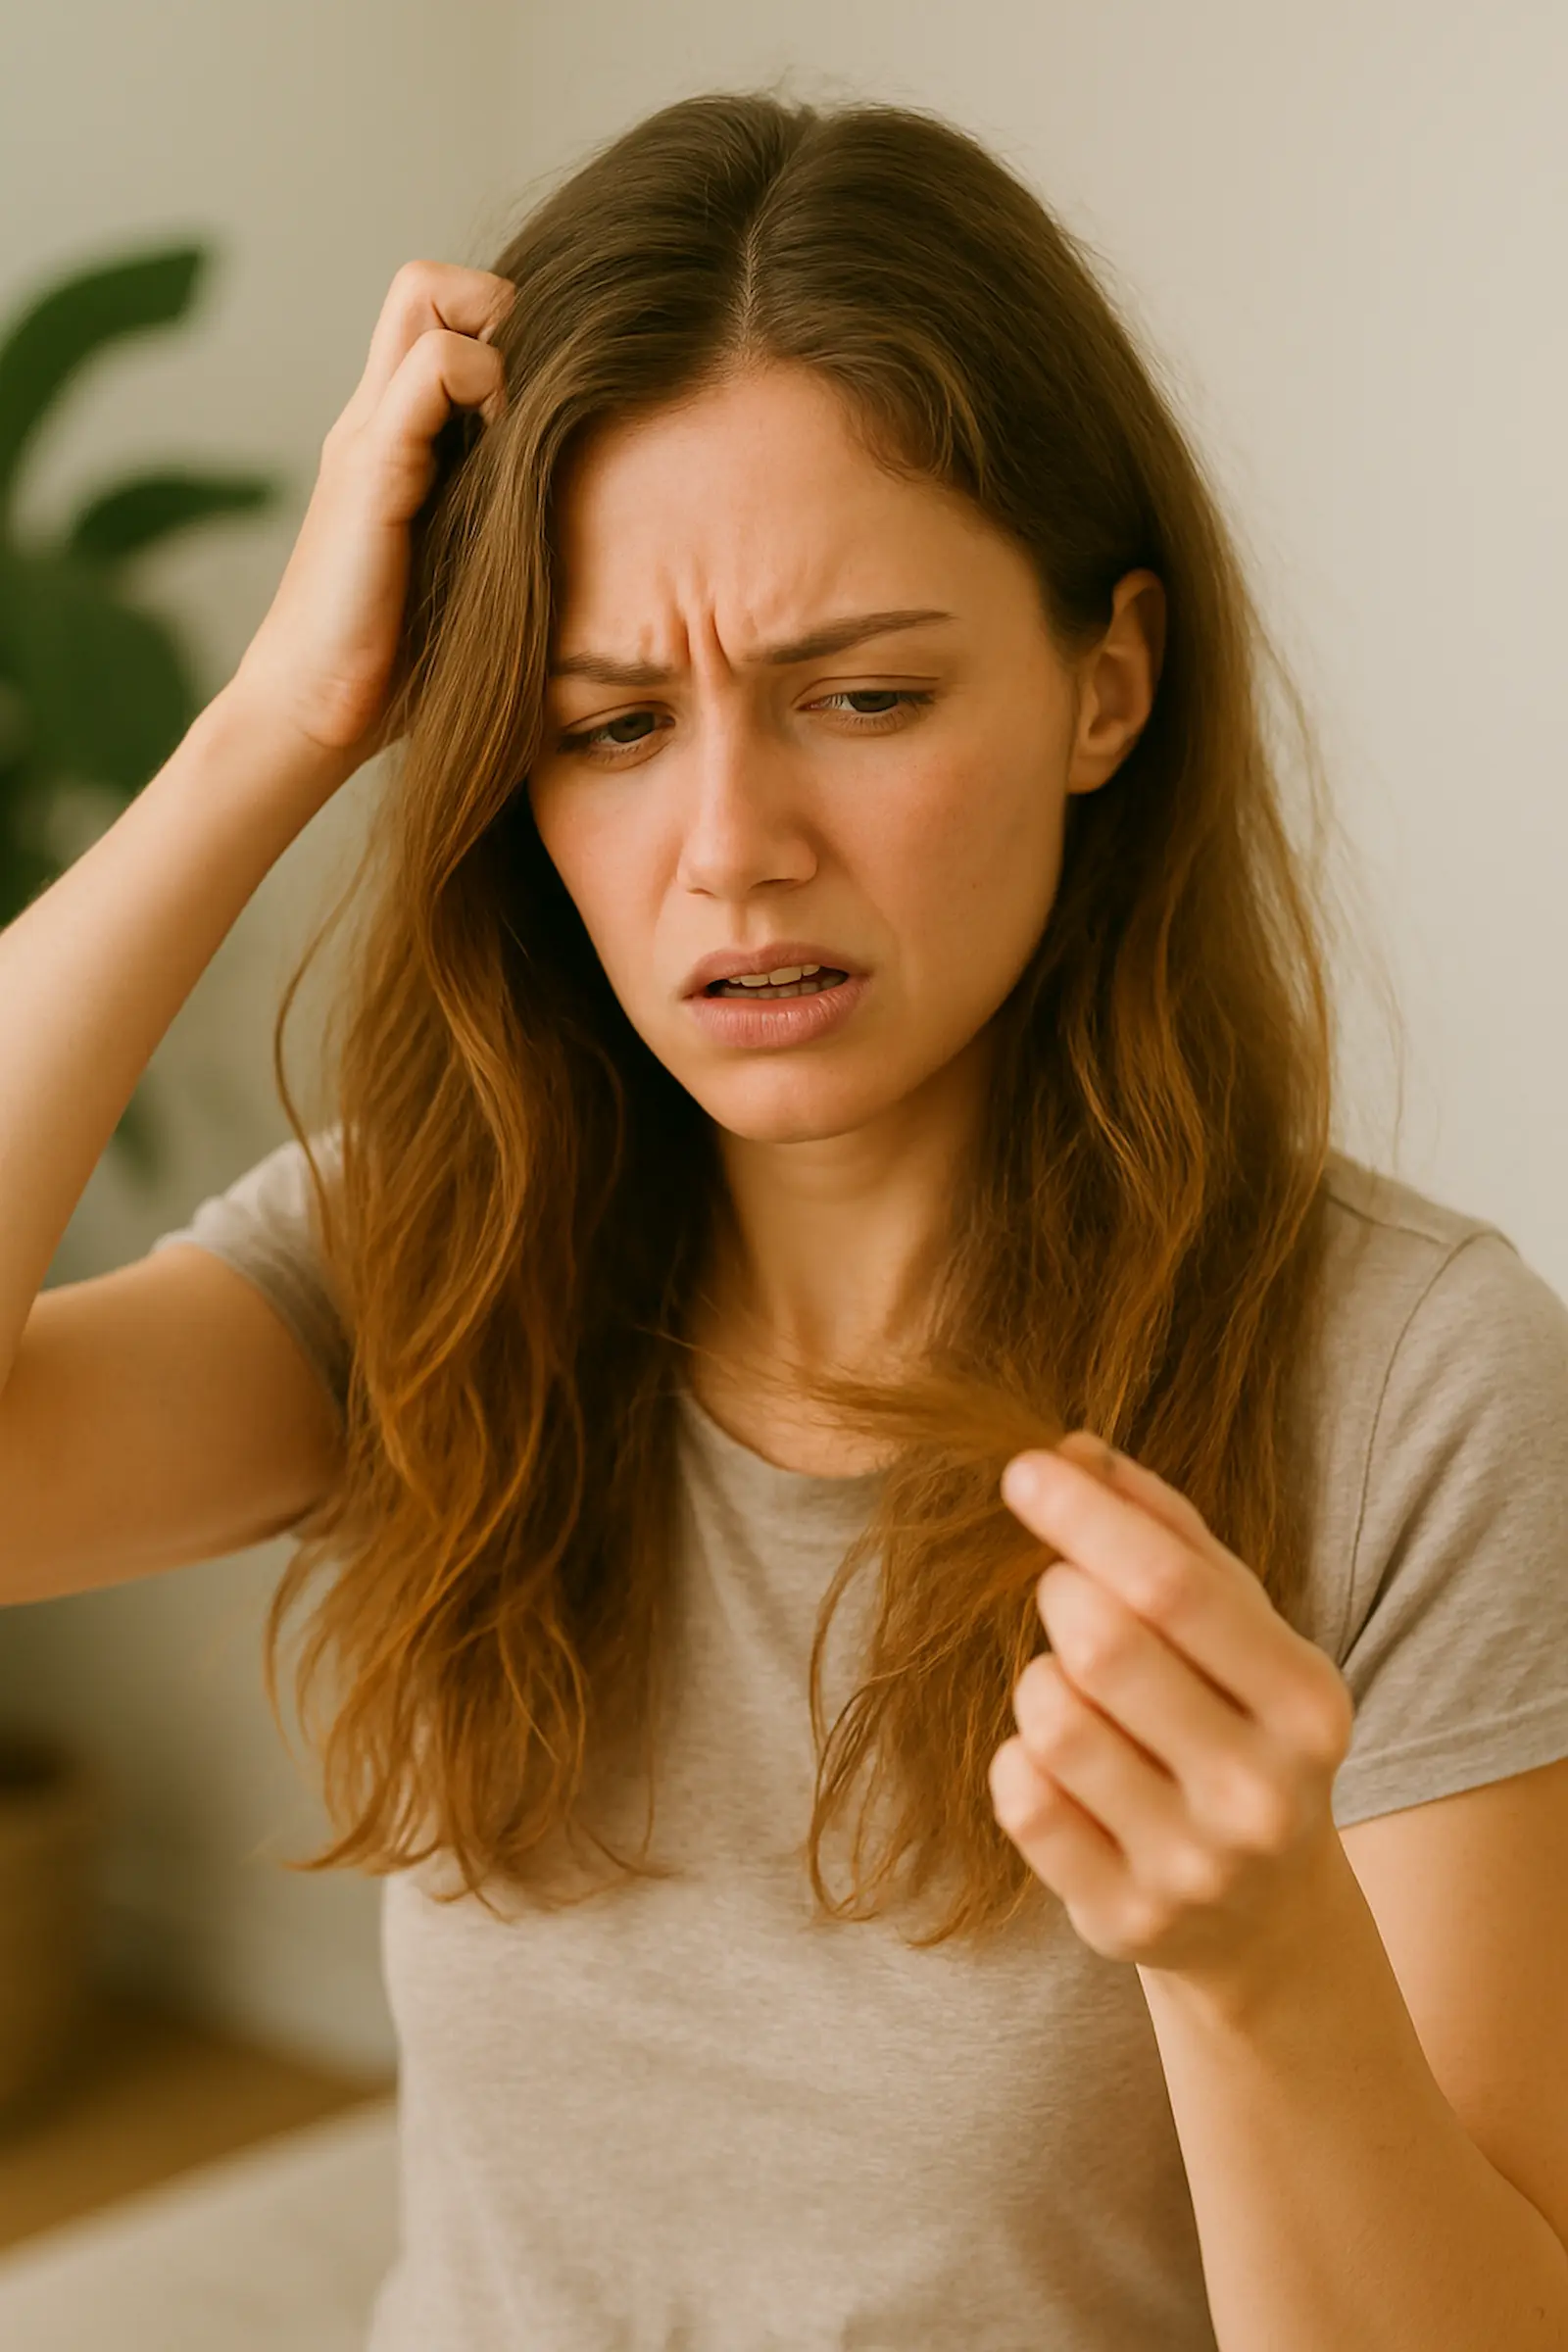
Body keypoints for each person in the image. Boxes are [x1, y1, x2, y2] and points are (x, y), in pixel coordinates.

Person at [3, 89, 1566, 2352]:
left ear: (1103, 686)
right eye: (610, 726)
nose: (730, 848)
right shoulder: (434, 1264)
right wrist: (272, 720)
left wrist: (1260, 1975)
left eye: (861, 696)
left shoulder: (1411, 1385)